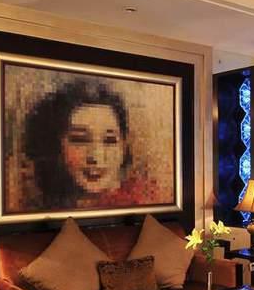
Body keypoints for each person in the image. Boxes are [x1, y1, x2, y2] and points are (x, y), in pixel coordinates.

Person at [22, 79, 161, 210]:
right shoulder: (39, 207)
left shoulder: (142, 202)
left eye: (110, 141)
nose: (95, 156)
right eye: (80, 140)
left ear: (123, 147)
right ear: (57, 145)